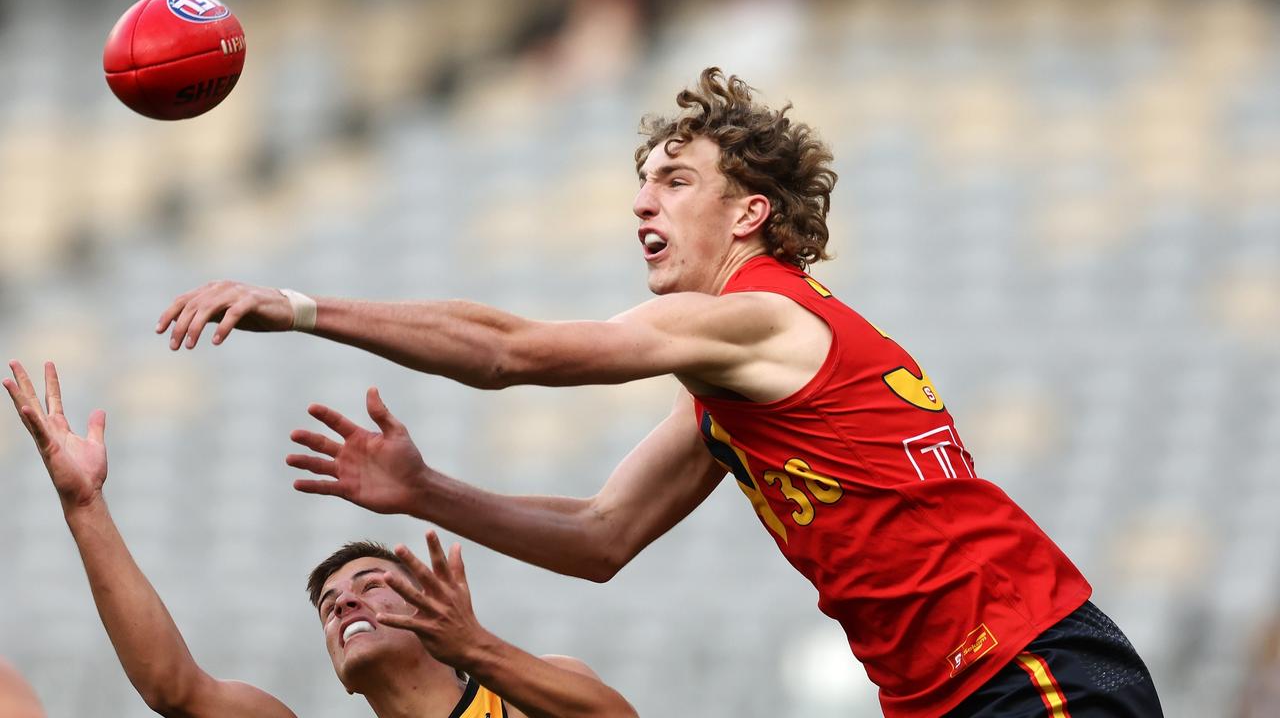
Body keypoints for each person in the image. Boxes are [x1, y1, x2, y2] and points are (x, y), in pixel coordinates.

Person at [156, 67, 1163, 716]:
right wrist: (425, 493)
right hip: (947, 695)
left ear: (749, 213)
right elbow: (600, 537)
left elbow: (512, 352)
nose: (643, 199)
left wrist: (297, 307)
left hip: (1027, 672)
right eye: (641, 181)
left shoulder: (763, 315)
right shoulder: (734, 385)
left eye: (676, 179)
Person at [2, 360, 636, 718]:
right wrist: (83, 504)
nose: (342, 603)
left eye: (372, 584)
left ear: (431, 608)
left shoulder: (525, 696)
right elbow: (175, 688)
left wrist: (478, 649)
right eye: (330, 603)